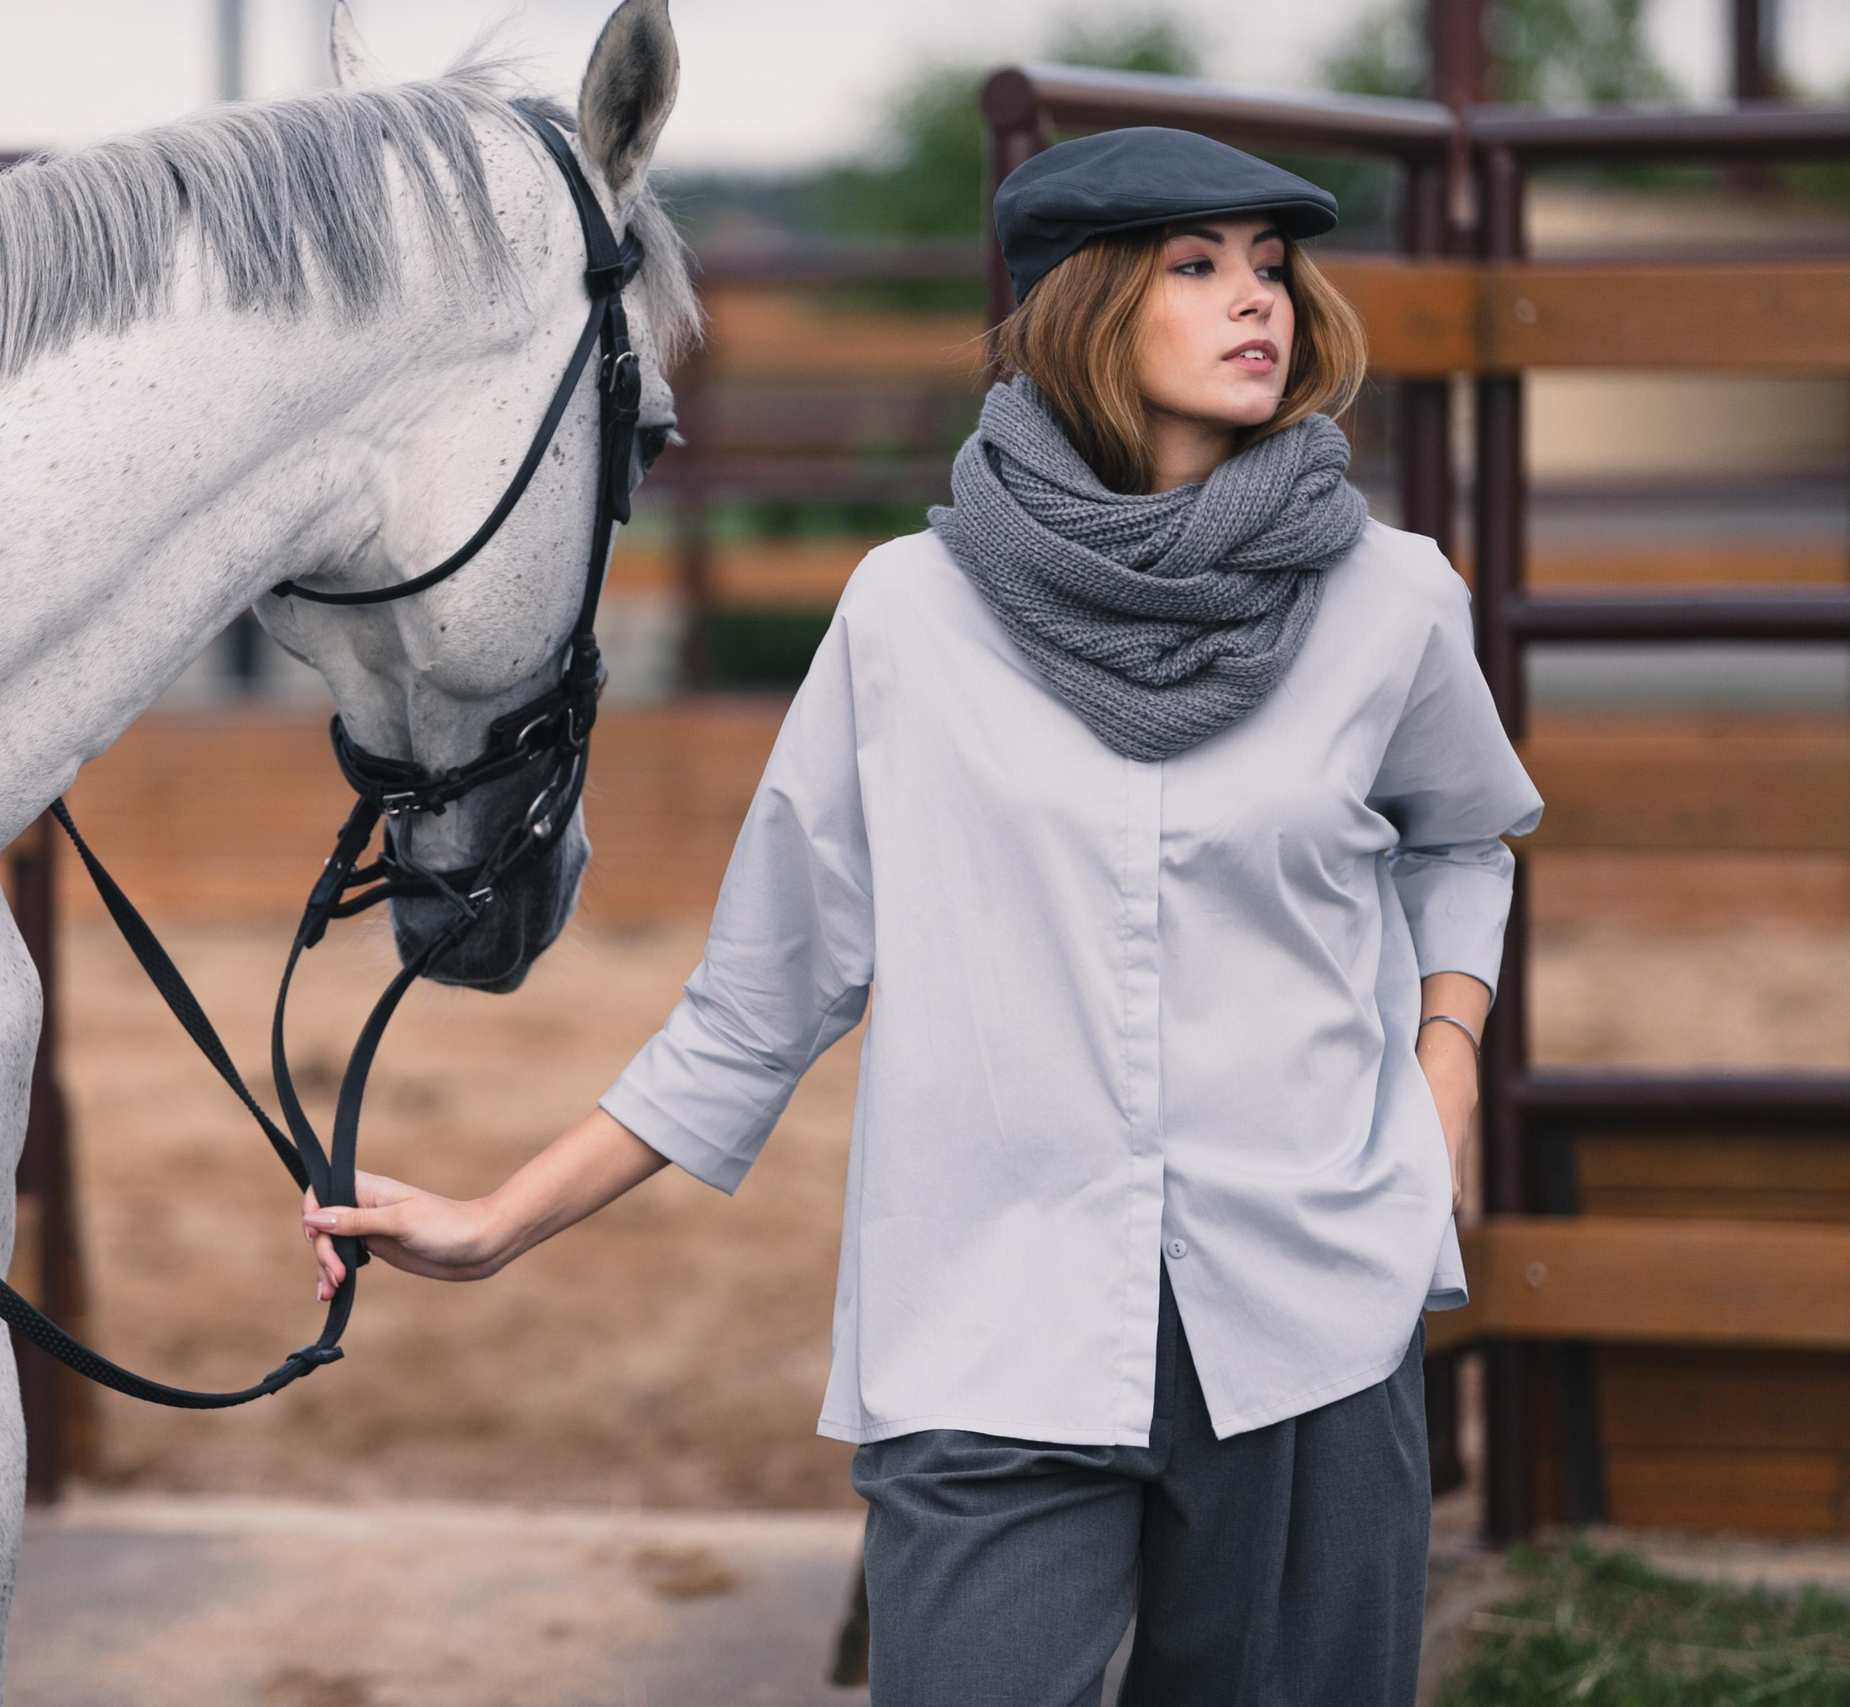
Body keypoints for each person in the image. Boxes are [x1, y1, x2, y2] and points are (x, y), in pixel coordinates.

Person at [299, 126, 1542, 1706]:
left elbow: (1463, 839)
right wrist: (498, 1222)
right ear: (1085, 307)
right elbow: (762, 1000)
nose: (1260, 301)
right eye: (1196, 266)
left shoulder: (1393, 600)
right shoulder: (910, 615)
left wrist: (1441, 1084)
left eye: (1273, 267)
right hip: (988, 1328)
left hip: (1311, 1314)